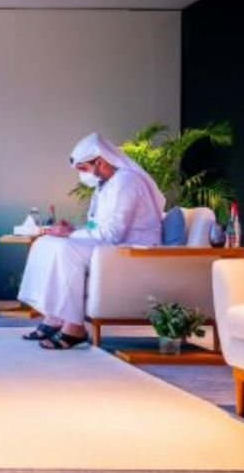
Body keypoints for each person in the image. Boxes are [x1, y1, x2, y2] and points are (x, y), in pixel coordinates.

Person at [18, 132, 165, 350]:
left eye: (83, 168)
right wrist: (72, 229)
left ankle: (74, 327)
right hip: (113, 244)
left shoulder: (126, 181)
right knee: (45, 242)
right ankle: (54, 317)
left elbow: (113, 233)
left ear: (100, 162)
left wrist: (70, 235)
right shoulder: (105, 185)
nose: (82, 175)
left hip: (134, 248)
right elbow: (98, 227)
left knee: (68, 250)